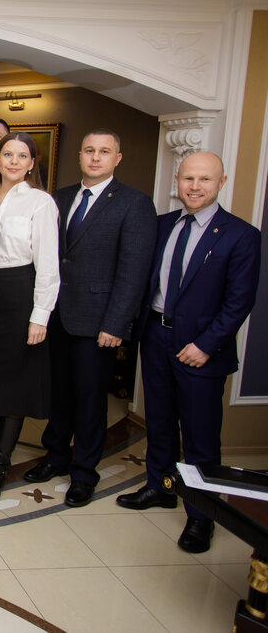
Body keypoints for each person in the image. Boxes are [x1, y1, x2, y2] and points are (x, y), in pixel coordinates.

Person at [117, 151, 260, 553]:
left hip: (201, 347)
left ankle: (201, 516)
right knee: (159, 422)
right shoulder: (161, 225)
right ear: (177, 180)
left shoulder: (240, 235)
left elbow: (239, 301)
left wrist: (206, 345)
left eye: (205, 179)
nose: (195, 187)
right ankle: (160, 487)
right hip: (156, 336)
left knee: (199, 435)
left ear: (221, 183)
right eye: (188, 179)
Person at [25, 130, 157, 508]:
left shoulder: (134, 203)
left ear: (117, 158)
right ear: (80, 156)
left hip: (98, 321)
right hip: (57, 315)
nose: (95, 157)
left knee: (89, 398)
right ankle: (55, 455)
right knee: (59, 393)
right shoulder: (60, 197)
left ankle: (84, 472)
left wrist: (116, 324)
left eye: (104, 151)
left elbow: (134, 271)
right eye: (89, 151)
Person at [0, 132, 59, 503]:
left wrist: (40, 317)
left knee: (12, 389)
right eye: (8, 154)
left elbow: (48, 266)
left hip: (20, 296)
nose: (14, 161)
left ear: (32, 163)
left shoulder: (41, 202)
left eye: (22, 155)